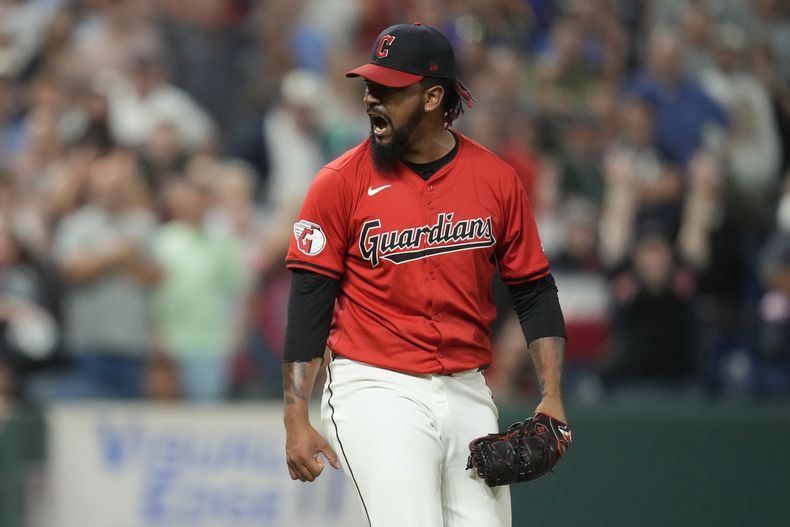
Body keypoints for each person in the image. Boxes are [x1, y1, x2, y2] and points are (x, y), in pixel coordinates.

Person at [281, 24, 568, 527]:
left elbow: (534, 289)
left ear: (434, 96)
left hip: (468, 389)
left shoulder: (496, 180)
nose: (371, 97)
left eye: (389, 89)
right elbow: (308, 301)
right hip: (374, 387)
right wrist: (294, 413)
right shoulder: (338, 183)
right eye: (370, 85)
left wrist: (552, 395)